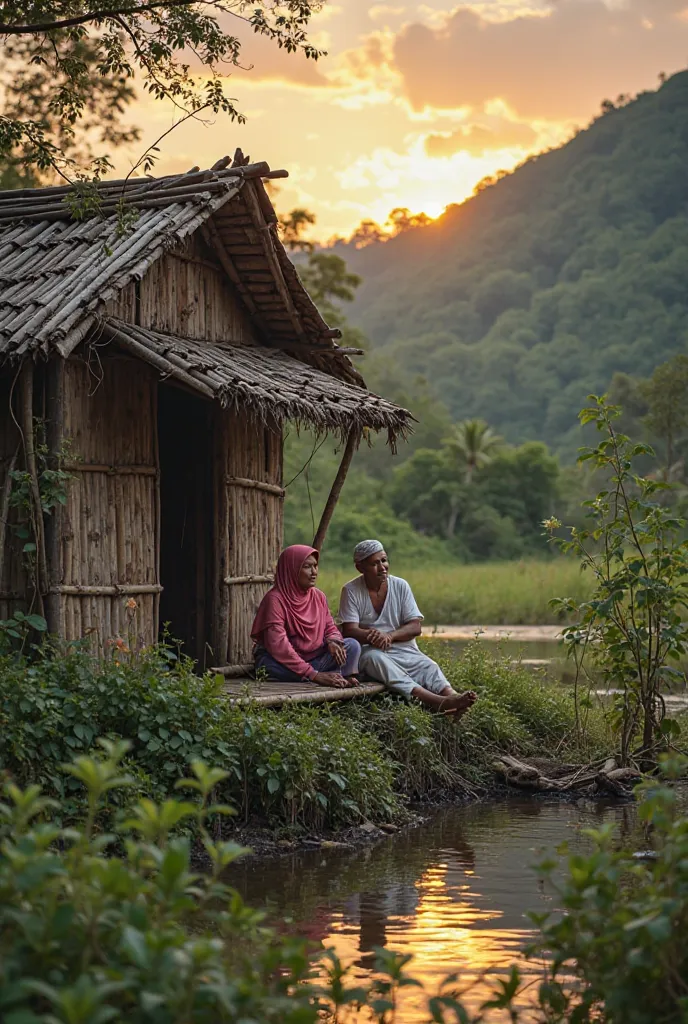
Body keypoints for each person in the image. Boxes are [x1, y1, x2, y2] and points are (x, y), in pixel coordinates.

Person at [339, 540, 477, 716]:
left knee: (428, 666)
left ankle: (454, 698)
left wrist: (389, 636)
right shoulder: (350, 590)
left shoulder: (400, 586)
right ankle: (436, 702)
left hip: (401, 648)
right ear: (360, 568)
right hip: (369, 652)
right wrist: (372, 636)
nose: (382, 567)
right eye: (375, 563)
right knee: (376, 659)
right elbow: (350, 630)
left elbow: (415, 627)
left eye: (384, 560)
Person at [252, 544, 360, 688]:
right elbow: (279, 646)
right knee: (267, 667)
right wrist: (313, 674)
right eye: (307, 567)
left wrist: (333, 641)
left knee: (352, 645)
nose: (314, 572)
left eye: (315, 566)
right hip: (284, 661)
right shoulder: (275, 600)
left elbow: (330, 627)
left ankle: (335, 674)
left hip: (315, 657)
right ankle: (325, 674)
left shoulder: (318, 596)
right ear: (291, 569)